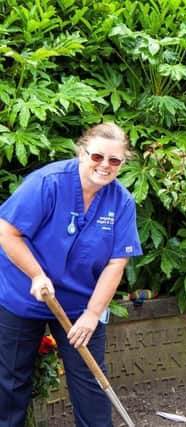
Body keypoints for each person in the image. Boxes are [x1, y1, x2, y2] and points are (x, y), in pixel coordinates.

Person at [0, 123, 142, 427]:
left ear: (122, 163)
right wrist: (37, 276)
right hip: (24, 293)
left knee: (90, 380)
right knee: (11, 383)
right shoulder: (47, 183)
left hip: (80, 305)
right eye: (97, 157)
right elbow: (7, 233)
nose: (104, 166)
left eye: (114, 161)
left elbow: (116, 263)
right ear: (82, 152)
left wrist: (92, 314)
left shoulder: (122, 202)